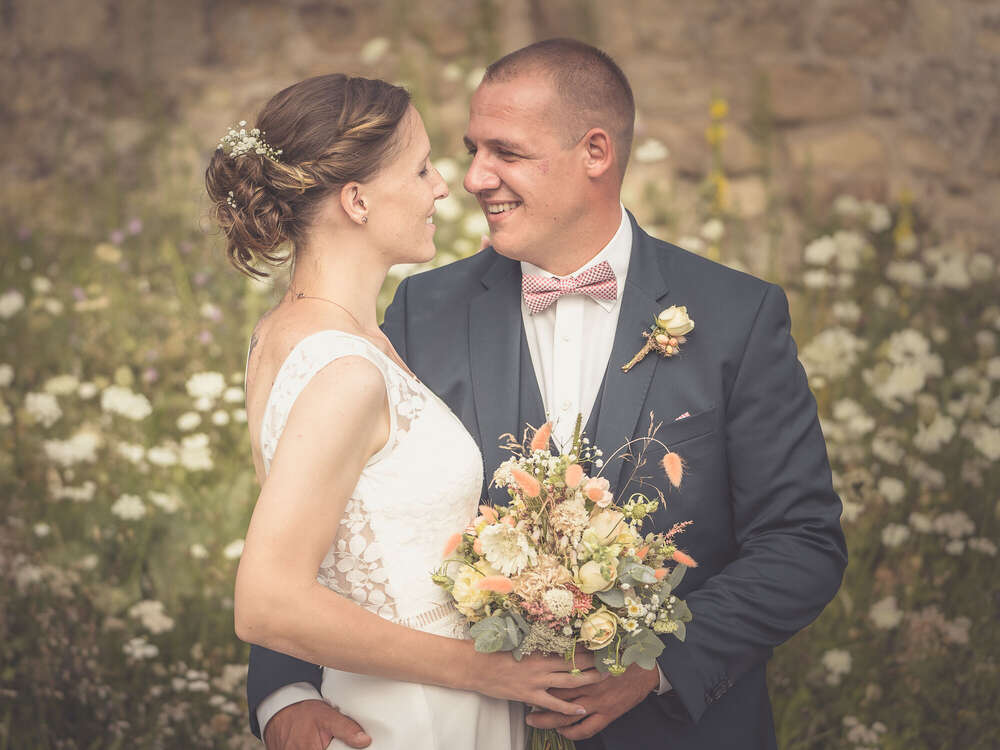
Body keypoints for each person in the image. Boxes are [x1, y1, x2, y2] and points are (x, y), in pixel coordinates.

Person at [248, 40, 847, 750]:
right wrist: (285, 690)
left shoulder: (735, 316)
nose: (472, 178)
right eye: (470, 149)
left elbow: (801, 541)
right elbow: (336, 515)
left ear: (594, 152)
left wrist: (656, 670)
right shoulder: (422, 309)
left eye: (505, 151)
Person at [206, 73, 608, 750]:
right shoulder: (346, 371)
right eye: (421, 168)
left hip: (385, 690)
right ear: (357, 200)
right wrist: (488, 671)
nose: (444, 186)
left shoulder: (293, 336)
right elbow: (267, 601)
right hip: (417, 712)